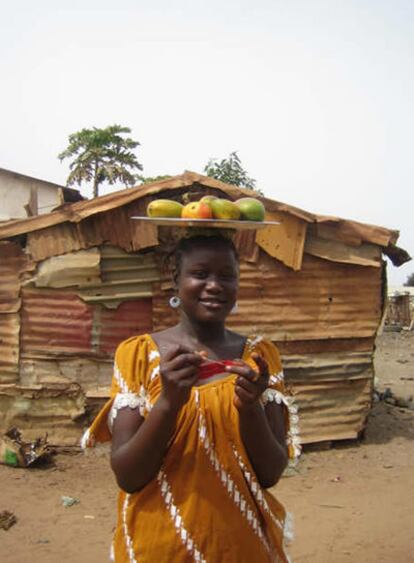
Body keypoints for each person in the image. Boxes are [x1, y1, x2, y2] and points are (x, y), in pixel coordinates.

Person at [82, 233, 300, 563]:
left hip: (241, 547)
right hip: (158, 546)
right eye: (200, 274)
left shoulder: (258, 359)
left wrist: (250, 406)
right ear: (176, 282)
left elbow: (270, 473)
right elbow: (128, 476)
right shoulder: (139, 355)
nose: (214, 285)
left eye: (226, 276)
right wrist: (168, 402)